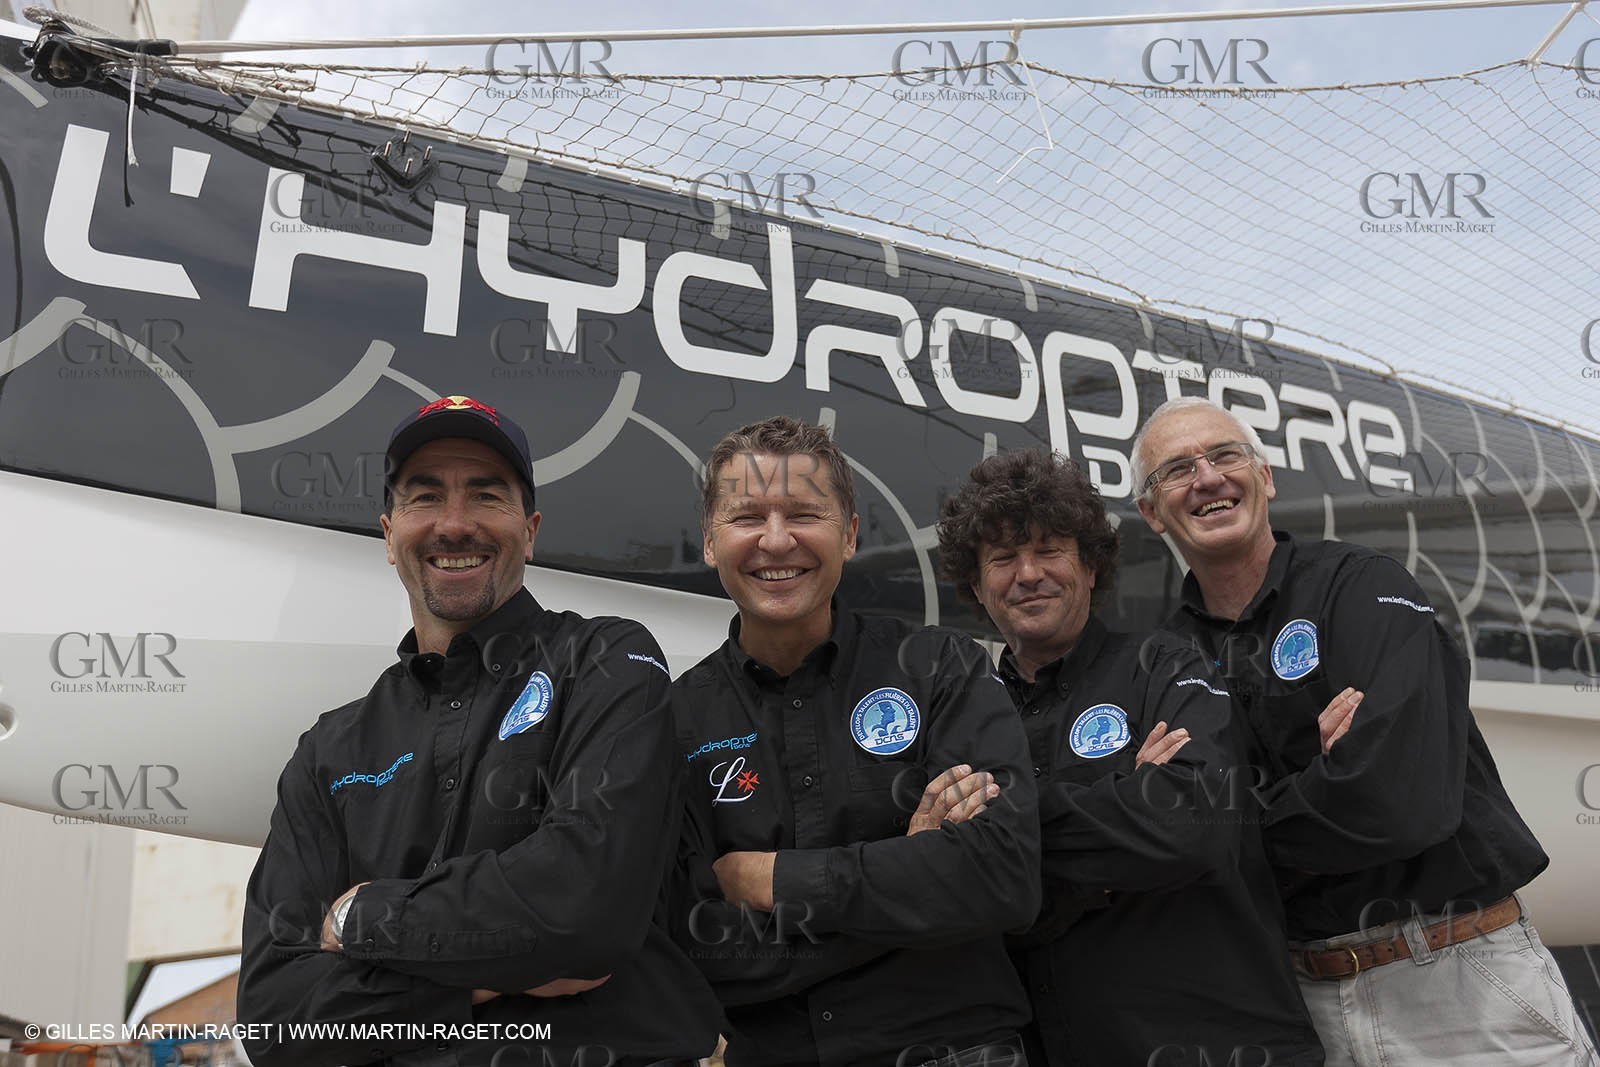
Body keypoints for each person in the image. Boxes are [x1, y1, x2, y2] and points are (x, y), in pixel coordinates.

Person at [237, 394, 721, 1067]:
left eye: (486, 496)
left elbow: (584, 910)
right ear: (389, 532)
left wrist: (363, 917)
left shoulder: (608, 664)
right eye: (425, 497)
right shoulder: (331, 748)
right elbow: (274, 1022)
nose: (454, 524)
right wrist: (482, 980)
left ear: (530, 528)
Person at [1132, 396, 1597, 1067]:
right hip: (1302, 1005)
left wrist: (1234, 815)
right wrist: (1321, 778)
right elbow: (1175, 845)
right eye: (1176, 469)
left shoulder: (1360, 587)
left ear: (1265, 476)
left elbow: (1398, 798)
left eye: (1225, 454)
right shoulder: (1164, 658)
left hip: (1457, 977)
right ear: (1151, 512)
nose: (1207, 476)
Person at [670, 415, 1042, 1067]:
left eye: (804, 514)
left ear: (848, 534)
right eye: (747, 516)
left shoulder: (941, 668)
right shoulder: (675, 718)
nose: (777, 540)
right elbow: (697, 946)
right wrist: (909, 875)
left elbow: (1002, 877)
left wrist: (772, 877)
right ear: (709, 541)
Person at [936, 447, 1325, 1067]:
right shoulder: (965, 712)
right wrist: (1123, 797)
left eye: (1049, 551)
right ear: (977, 586)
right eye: (1003, 559)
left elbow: (1189, 826)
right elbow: (950, 881)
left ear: (1090, 565)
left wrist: (1003, 827)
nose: (1028, 573)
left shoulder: (1169, 666)